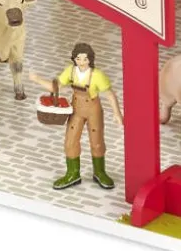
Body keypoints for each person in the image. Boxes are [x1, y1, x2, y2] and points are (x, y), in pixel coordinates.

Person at [31, 42, 123, 190]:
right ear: (74, 59)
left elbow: (109, 94)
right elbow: (55, 87)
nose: (81, 62)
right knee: (70, 141)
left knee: (97, 142)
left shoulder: (97, 75)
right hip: (76, 110)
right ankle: (73, 173)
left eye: (85, 59)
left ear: (90, 59)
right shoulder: (70, 71)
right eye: (78, 58)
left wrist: (117, 113)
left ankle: (100, 172)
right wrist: (38, 79)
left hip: (93, 110)